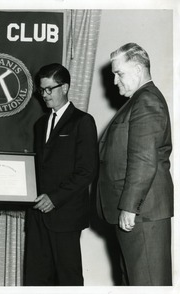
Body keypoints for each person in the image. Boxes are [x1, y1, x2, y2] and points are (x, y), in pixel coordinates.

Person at [96, 43, 173, 286]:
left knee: (147, 283)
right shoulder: (137, 101)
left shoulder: (146, 101)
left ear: (138, 69)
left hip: (141, 214)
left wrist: (130, 207)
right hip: (135, 214)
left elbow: (143, 158)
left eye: (119, 73)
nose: (115, 81)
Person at [24, 63, 98, 286]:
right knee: (35, 278)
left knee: (68, 279)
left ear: (64, 87)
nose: (44, 95)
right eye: (41, 90)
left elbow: (87, 171)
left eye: (49, 89)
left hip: (65, 216)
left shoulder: (83, 122)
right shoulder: (40, 124)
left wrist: (54, 199)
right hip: (37, 216)